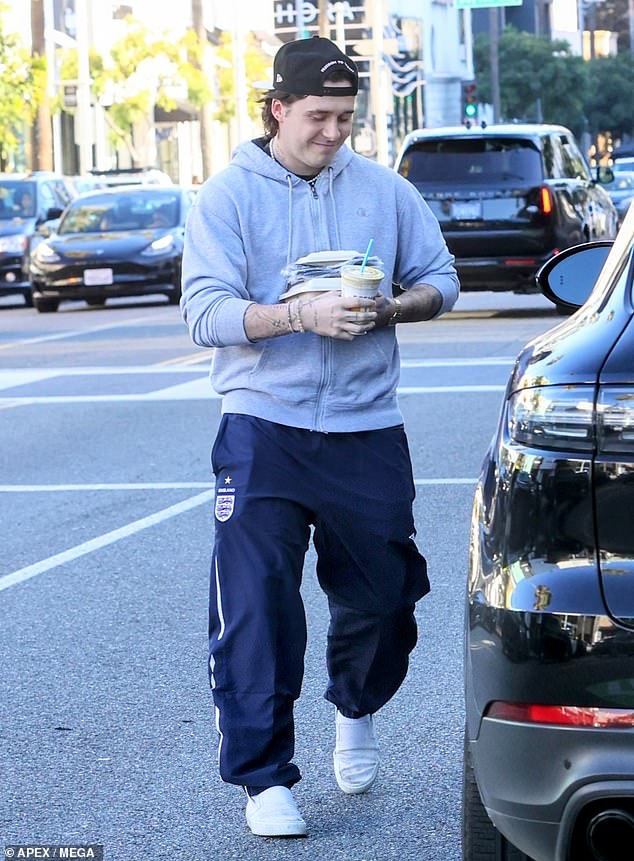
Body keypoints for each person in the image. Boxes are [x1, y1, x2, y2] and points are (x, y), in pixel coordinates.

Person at [180, 36, 459, 839]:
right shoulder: (229, 195)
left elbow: (441, 279)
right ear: (277, 109)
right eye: (318, 116)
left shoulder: (383, 191)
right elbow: (205, 314)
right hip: (262, 424)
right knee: (259, 601)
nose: (335, 132)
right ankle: (263, 776)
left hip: (367, 425)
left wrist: (392, 308)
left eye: (346, 116)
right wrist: (300, 313)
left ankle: (355, 703)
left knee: (383, 593)